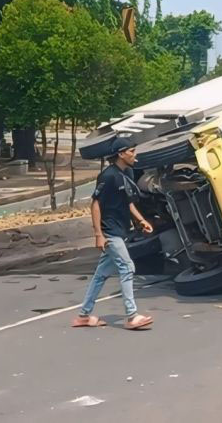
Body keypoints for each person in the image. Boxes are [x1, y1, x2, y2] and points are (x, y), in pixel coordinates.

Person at [73, 138, 154, 330]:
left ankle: (84, 315)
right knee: (127, 267)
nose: (135, 155)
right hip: (110, 232)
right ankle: (132, 316)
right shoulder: (108, 176)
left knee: (101, 274)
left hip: (120, 229)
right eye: (132, 151)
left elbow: (128, 202)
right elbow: (95, 204)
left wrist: (141, 220)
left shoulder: (126, 174)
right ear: (121, 154)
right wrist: (98, 234)